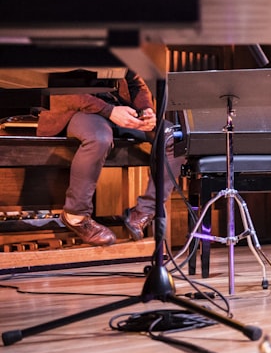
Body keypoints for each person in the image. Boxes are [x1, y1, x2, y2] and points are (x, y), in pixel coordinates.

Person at [37, 70, 184, 246]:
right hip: (76, 110)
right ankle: (75, 215)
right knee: (99, 139)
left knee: (175, 138)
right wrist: (109, 111)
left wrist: (147, 110)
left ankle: (144, 211)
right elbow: (60, 89)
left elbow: (135, 82)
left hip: (117, 109)